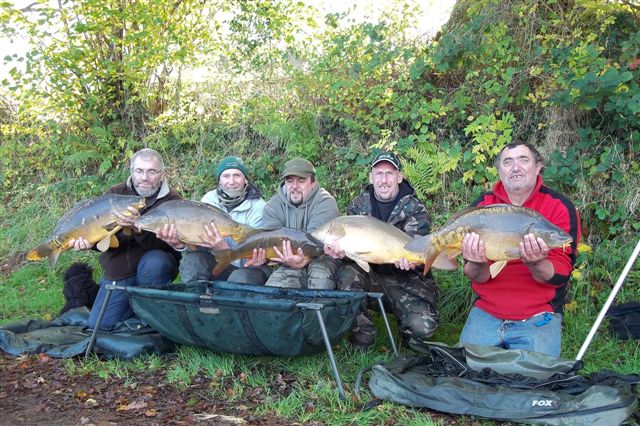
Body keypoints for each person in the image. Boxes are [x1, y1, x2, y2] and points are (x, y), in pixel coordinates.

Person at [460, 141, 581, 357]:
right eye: (508, 162)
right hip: (487, 310)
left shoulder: (559, 207)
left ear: (538, 166)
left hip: (538, 315)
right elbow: (476, 276)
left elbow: (562, 274)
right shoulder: (483, 206)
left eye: (523, 160)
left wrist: (538, 263)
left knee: (534, 380)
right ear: (500, 171)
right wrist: (476, 261)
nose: (516, 167)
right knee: (466, 373)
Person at [325, 152, 439, 349]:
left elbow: (418, 250)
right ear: (371, 177)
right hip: (371, 276)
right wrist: (341, 253)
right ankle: (363, 333)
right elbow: (353, 252)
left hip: (405, 280)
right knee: (345, 276)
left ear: (399, 177)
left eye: (389, 173)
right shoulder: (358, 207)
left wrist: (412, 262)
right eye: (379, 174)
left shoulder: (415, 210)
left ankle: (408, 333)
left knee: (423, 328)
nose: (384, 180)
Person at [69, 148, 182, 329]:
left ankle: (153, 315)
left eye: (151, 171)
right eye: (139, 171)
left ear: (162, 175)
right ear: (132, 172)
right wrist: (89, 243)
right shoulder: (115, 193)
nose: (144, 177)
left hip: (154, 268)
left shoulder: (172, 201)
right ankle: (134, 306)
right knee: (101, 326)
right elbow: (104, 238)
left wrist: (138, 226)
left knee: (156, 261)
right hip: (119, 272)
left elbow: (163, 245)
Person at [245, 157, 340, 289]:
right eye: (290, 181)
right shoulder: (273, 206)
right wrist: (263, 258)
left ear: (312, 183)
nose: (294, 186)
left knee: (320, 278)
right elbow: (271, 242)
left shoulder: (325, 202)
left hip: (323, 257)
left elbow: (315, 243)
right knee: (275, 288)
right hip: (287, 261)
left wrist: (303, 261)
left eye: (301, 180)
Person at [172, 156, 270, 285]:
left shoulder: (259, 207)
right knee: (192, 262)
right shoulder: (208, 199)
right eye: (226, 176)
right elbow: (197, 244)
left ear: (245, 180)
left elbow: (255, 254)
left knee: (240, 278)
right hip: (218, 261)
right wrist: (180, 244)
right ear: (219, 181)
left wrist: (224, 248)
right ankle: (197, 302)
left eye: (237, 175)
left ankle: (232, 304)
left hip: (248, 267)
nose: (231, 181)